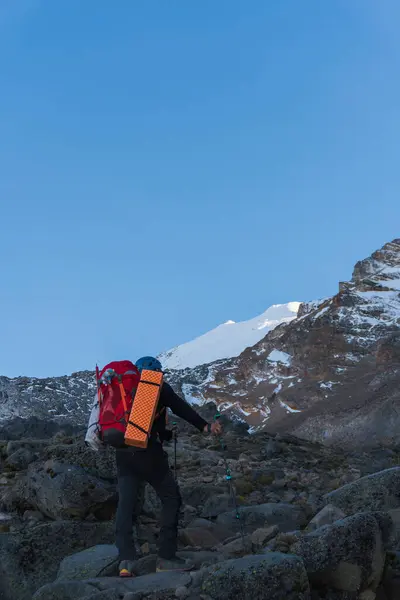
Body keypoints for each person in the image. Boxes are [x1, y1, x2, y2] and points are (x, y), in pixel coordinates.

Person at [116, 356, 222, 577]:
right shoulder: (156, 387)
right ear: (156, 372)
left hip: (123, 454)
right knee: (171, 497)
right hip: (149, 454)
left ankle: (126, 560)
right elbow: (181, 408)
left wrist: (164, 433)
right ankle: (166, 557)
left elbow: (144, 425)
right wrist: (204, 426)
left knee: (126, 505)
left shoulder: (123, 389)